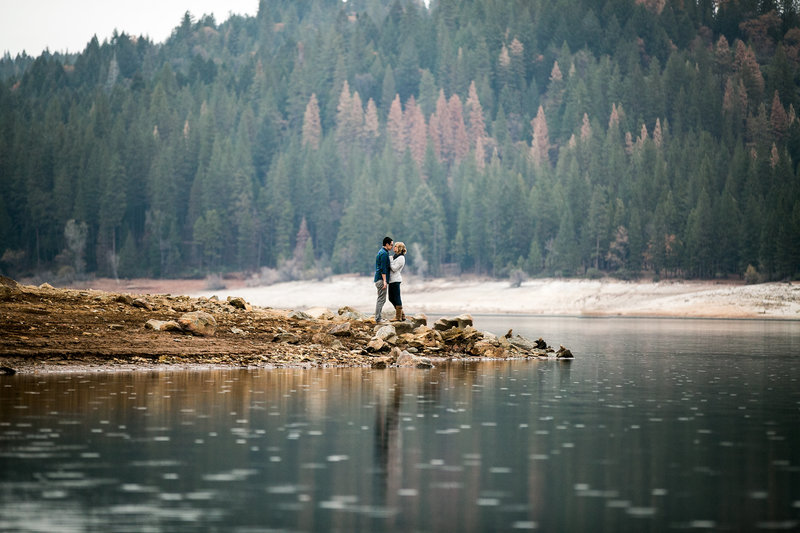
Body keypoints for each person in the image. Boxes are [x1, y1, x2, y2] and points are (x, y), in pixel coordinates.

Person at [374, 236, 393, 322]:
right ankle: (378, 318)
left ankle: (378, 317)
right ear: (387, 244)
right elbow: (383, 268)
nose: (392, 247)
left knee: (380, 298)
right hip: (381, 279)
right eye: (391, 245)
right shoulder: (384, 254)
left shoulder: (381, 252)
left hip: (378, 278)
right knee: (381, 299)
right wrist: (385, 281)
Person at [388, 241, 406, 321]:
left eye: (395, 246)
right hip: (391, 280)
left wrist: (390, 260)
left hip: (396, 280)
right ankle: (402, 315)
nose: (393, 247)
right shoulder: (395, 256)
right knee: (391, 298)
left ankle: (398, 317)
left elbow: (394, 268)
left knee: (397, 297)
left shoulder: (401, 258)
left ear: (399, 248)